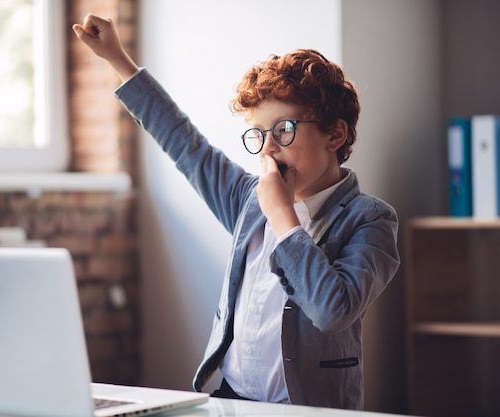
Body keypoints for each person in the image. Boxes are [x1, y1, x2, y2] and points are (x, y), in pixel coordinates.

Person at [72, 14, 400, 411]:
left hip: (310, 407)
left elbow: (332, 310)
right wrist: (118, 59)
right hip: (232, 399)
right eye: (258, 135)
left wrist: (282, 216)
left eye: (283, 131)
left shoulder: (371, 219)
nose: (267, 150)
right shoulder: (248, 199)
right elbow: (185, 144)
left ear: (335, 134)